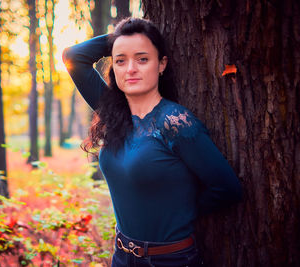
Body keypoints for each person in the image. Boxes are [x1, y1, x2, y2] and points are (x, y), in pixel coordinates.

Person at [62, 17, 242, 267]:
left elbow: (227, 188)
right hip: (122, 256)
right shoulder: (114, 113)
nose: (131, 69)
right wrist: (122, 38)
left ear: (161, 64)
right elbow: (74, 56)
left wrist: (179, 211)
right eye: (120, 61)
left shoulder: (175, 122)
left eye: (143, 59)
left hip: (170, 259)